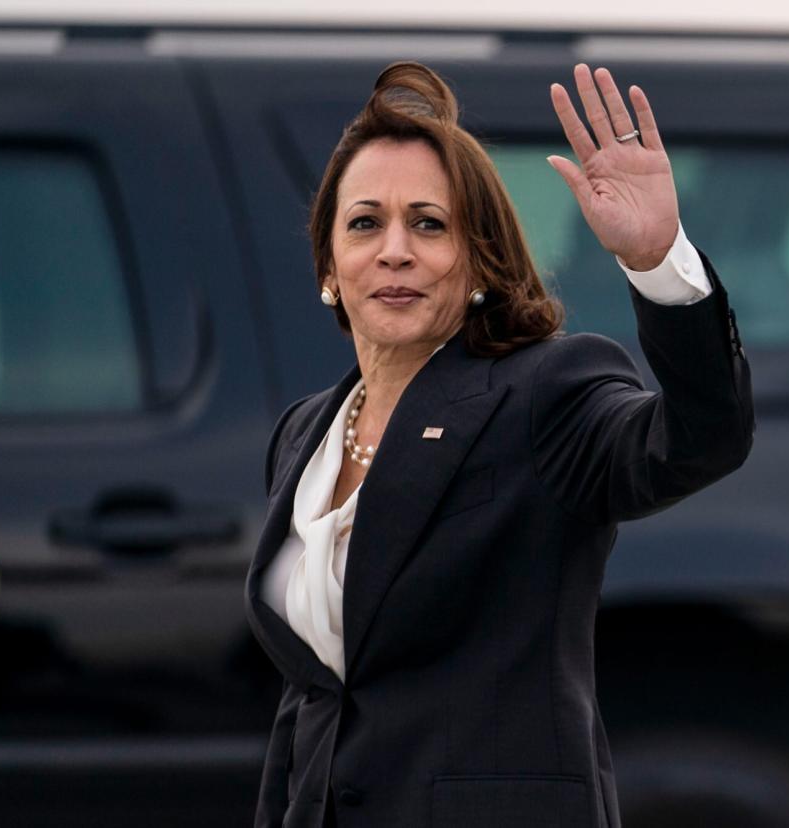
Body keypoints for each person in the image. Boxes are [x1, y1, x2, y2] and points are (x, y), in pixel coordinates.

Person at [245, 60, 754, 828]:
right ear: (328, 265)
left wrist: (658, 261)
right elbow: (315, 703)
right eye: (364, 223)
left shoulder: (543, 394)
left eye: (428, 223)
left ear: (480, 260)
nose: (394, 251)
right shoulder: (303, 436)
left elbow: (697, 441)